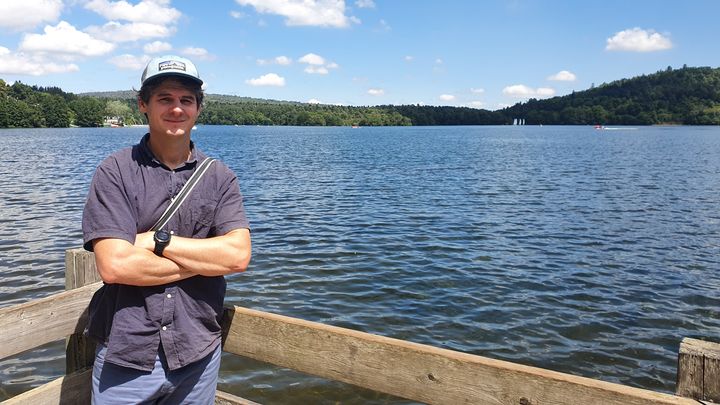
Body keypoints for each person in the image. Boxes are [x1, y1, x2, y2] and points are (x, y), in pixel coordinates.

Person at [82, 55, 251, 404]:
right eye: (165, 99)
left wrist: (158, 242)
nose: (177, 109)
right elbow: (115, 266)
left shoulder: (219, 178)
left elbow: (237, 256)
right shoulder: (115, 172)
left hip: (197, 352)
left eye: (186, 100)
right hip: (127, 354)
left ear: (198, 109)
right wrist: (205, 260)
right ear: (143, 104)